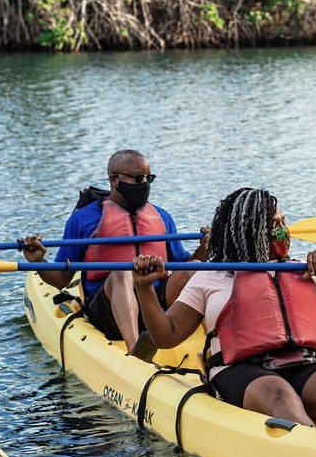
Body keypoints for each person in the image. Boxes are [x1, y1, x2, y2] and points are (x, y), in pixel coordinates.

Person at [132, 186, 316, 443]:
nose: (283, 232)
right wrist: (144, 289)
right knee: (278, 392)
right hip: (240, 371)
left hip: (303, 364)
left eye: (284, 222)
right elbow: (167, 336)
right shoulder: (211, 278)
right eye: (274, 225)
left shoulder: (302, 270)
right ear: (249, 232)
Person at [22, 148, 206, 360]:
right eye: (138, 178)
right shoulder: (83, 219)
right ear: (114, 179)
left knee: (193, 272)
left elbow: (184, 264)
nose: (144, 184)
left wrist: (205, 247)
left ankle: (210, 339)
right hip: (108, 310)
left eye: (149, 178)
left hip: (157, 310)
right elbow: (62, 279)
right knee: (122, 272)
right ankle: (135, 348)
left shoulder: (161, 216)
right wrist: (38, 261)